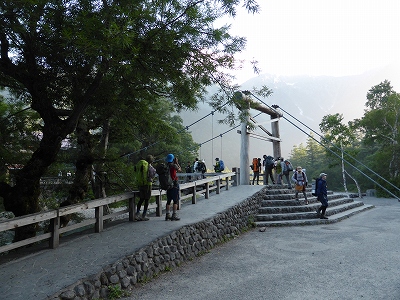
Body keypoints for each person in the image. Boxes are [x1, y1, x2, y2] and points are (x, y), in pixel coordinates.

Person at [135, 155, 156, 221]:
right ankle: (144, 215)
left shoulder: (141, 165)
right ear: (151, 161)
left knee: (141, 199)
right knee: (147, 200)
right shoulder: (149, 167)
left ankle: (137, 213)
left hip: (141, 184)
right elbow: (152, 175)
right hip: (148, 185)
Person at [165, 154, 181, 221]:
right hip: (174, 185)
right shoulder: (174, 166)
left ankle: (167, 215)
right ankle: (174, 215)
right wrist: (177, 162)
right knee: (175, 201)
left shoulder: (166, 166)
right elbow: (180, 170)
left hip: (168, 185)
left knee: (168, 201)